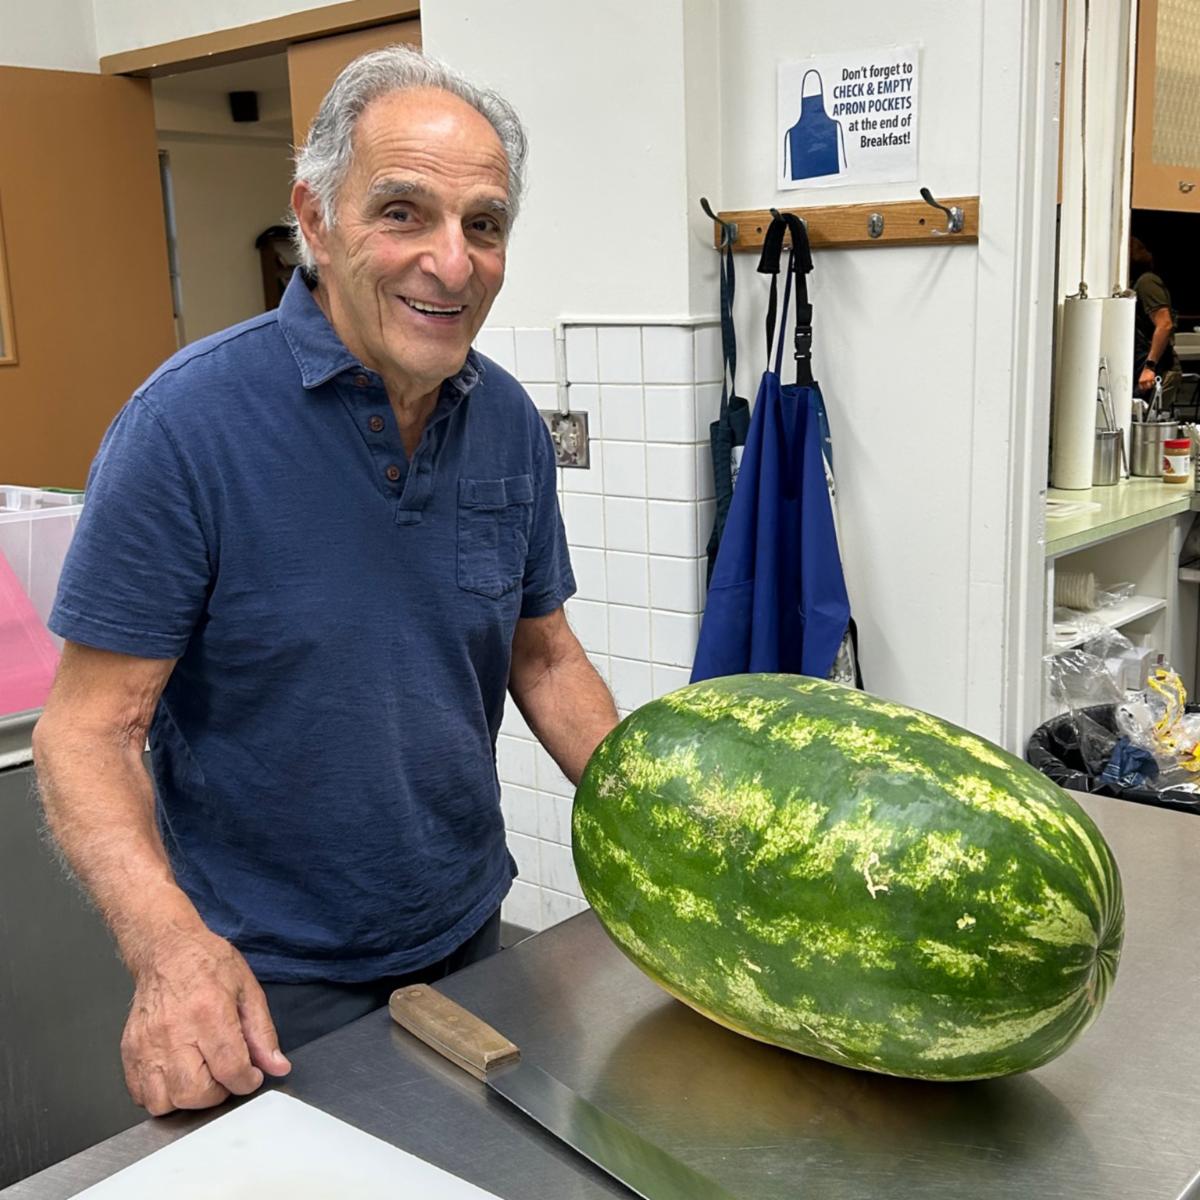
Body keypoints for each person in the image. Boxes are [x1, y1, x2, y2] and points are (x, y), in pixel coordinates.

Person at [32, 45, 619, 1118]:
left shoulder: (506, 424)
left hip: (468, 926)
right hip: (264, 977)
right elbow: (90, 730)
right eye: (404, 213)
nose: (452, 262)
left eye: (483, 225)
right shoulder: (186, 427)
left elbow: (544, 653)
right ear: (317, 219)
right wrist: (169, 949)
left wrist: (657, 821)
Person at [1130, 235, 1182, 410]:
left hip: (1158, 370)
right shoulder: (1139, 283)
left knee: (1149, 426)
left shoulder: (1147, 283)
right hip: (1147, 368)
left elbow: (1164, 324)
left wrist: (1149, 366)